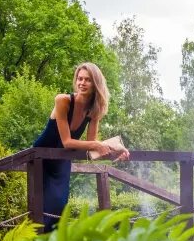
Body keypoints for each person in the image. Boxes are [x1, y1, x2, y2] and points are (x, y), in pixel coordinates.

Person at [32, 62, 129, 232]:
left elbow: (92, 147)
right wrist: (99, 145)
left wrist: (118, 149)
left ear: (96, 84)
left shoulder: (94, 110)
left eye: (87, 80)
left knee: (60, 208)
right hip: (42, 159)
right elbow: (67, 142)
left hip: (62, 162)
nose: (82, 83)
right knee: (44, 209)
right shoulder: (62, 100)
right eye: (79, 78)